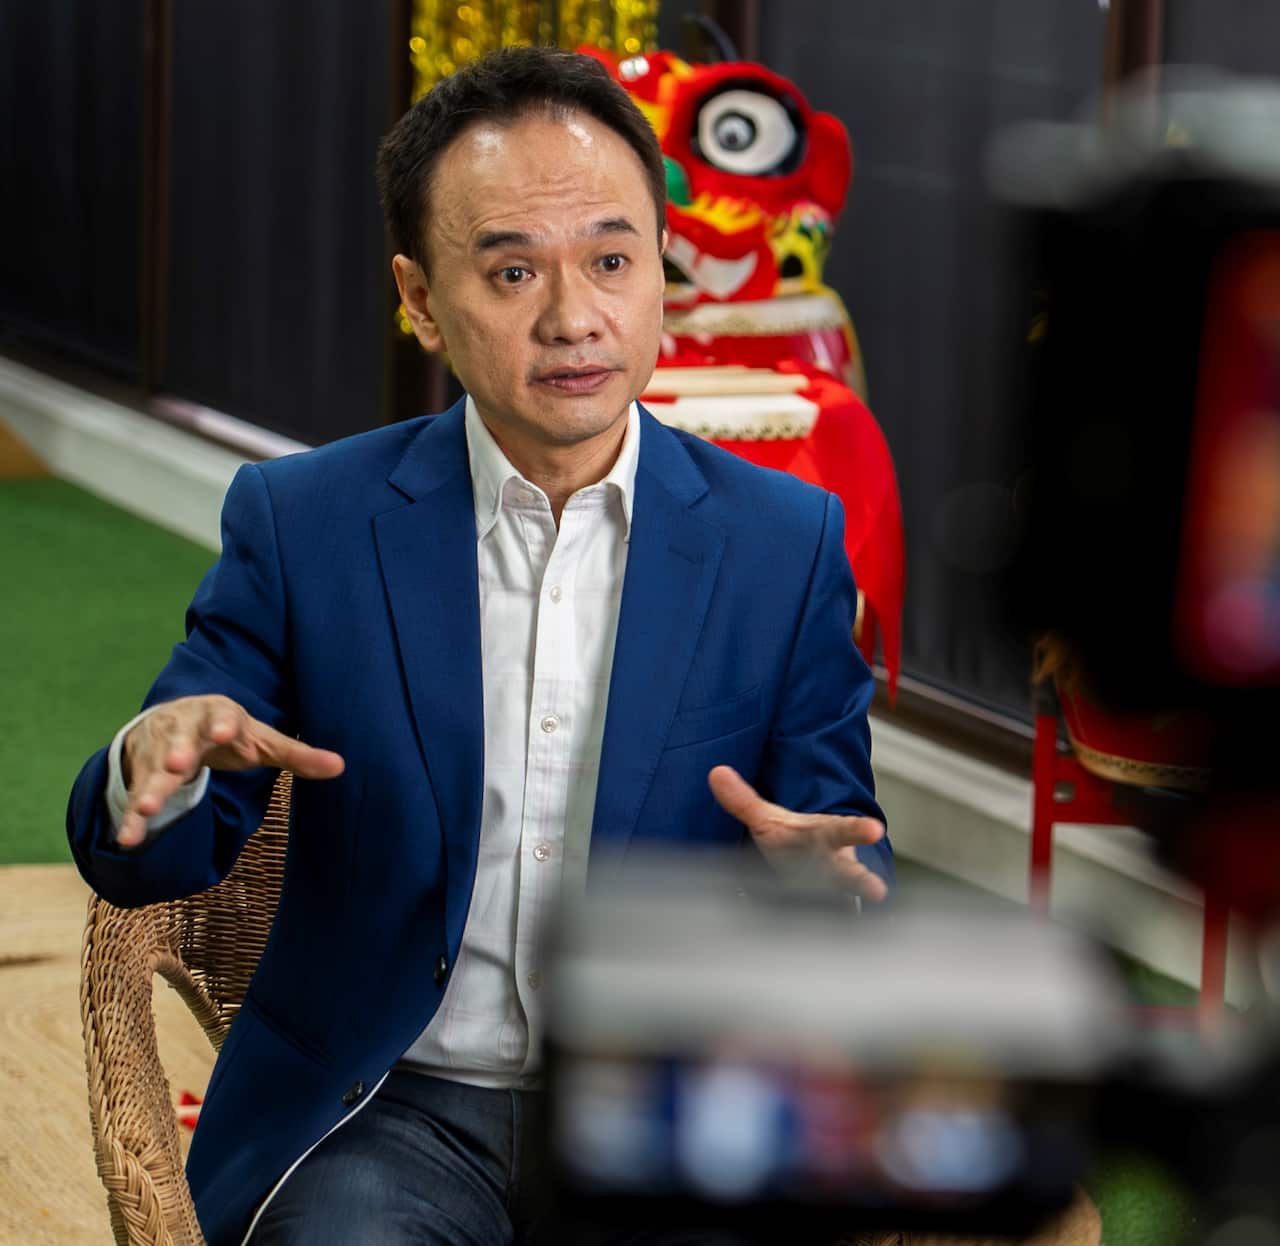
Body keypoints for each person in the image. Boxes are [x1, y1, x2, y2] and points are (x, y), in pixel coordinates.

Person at [67, 46, 892, 1246]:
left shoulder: (785, 543)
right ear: (417, 298)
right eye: (510, 272)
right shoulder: (307, 522)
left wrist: (824, 896)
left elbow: (843, 845)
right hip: (379, 1114)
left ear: (660, 267)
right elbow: (152, 847)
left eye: (612, 260)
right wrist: (158, 761)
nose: (573, 318)